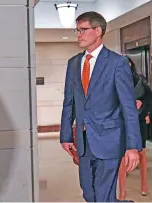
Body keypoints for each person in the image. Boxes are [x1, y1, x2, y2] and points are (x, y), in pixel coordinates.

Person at [60, 11, 142, 202]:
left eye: (83, 29)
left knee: (103, 195)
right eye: (77, 30)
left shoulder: (117, 63)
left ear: (98, 31)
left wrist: (132, 147)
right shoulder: (73, 64)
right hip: (83, 140)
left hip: (110, 139)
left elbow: (128, 107)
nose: (78, 34)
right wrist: (65, 135)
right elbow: (68, 102)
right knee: (90, 194)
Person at [118, 55, 151, 200]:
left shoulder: (140, 80)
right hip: (121, 121)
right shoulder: (115, 79)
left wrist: (143, 108)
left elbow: (149, 98)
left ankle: (144, 184)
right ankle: (122, 191)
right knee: (122, 155)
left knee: (142, 153)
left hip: (138, 120)